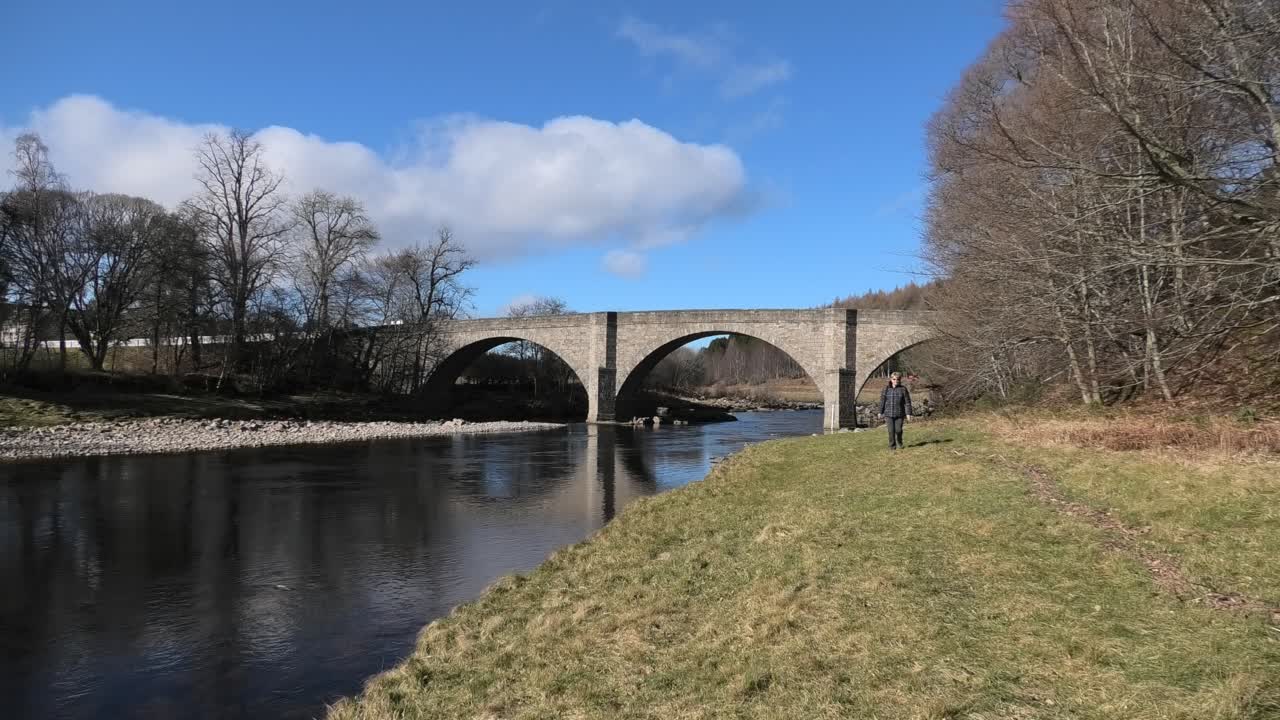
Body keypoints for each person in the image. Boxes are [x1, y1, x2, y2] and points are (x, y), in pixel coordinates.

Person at [878, 371, 913, 450]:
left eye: (898, 379)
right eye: (894, 379)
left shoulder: (903, 389)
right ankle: (892, 446)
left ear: (900, 380)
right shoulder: (886, 389)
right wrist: (880, 412)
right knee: (891, 431)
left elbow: (907, 402)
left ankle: (900, 442)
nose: (896, 381)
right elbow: (882, 401)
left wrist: (908, 414)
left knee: (898, 430)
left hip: (899, 414)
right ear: (891, 379)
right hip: (888, 414)